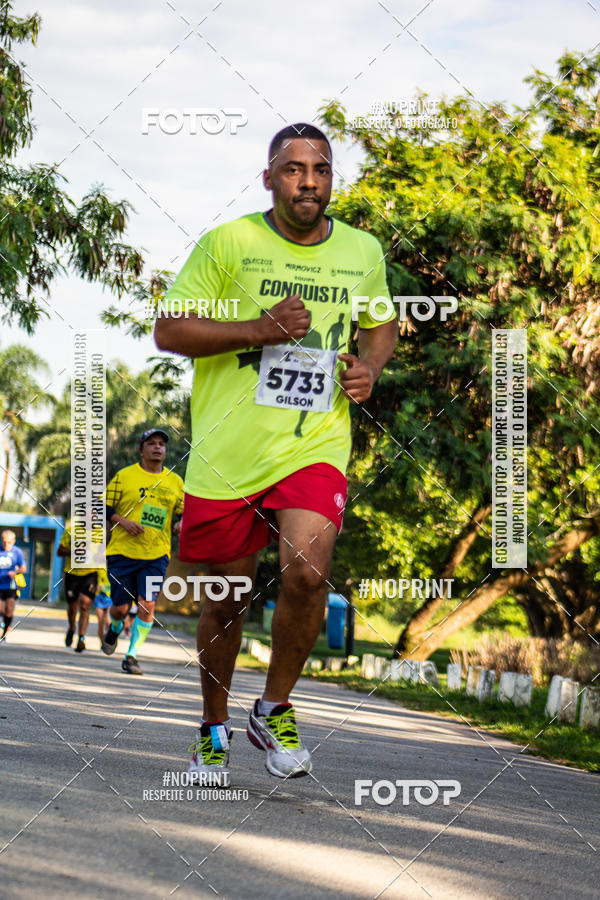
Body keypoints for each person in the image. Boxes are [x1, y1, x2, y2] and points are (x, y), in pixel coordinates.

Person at [155, 123, 398, 780]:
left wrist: (370, 369)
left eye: (320, 169)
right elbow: (169, 330)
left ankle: (275, 706)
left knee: (307, 573)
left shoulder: (362, 250)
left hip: (315, 443)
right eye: (293, 169)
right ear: (269, 178)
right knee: (226, 599)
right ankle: (214, 727)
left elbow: (381, 324)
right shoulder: (228, 243)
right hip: (230, 453)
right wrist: (259, 330)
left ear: (331, 179)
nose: (308, 182)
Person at [101, 429, 184, 675]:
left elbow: (183, 512)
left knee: (147, 605)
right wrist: (123, 522)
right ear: (142, 449)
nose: (158, 447)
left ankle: (131, 656)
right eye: (152, 443)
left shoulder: (175, 481)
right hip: (122, 553)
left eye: (161, 444)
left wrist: (180, 522)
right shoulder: (124, 476)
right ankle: (114, 628)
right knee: (120, 609)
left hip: (156, 555)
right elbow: (102, 506)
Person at [57, 525, 98, 652]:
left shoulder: (100, 533)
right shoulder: (71, 530)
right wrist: (74, 551)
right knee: (72, 607)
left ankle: (81, 638)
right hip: (72, 574)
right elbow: (59, 551)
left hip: (90, 573)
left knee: (85, 605)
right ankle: (72, 628)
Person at [0, 530, 26, 640]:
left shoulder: (17, 552)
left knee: (9, 611)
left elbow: (23, 568)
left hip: (11, 586)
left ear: (13, 541)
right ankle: (3, 623)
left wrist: (15, 572)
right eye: (4, 542)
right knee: (1, 610)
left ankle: (4, 632)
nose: (6, 544)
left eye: (9, 542)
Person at [93, 568, 112, 644]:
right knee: (101, 622)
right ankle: (102, 643)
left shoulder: (114, 568)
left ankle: (110, 640)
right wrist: (95, 586)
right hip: (99, 598)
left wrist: (105, 587)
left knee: (108, 622)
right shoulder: (98, 568)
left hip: (110, 598)